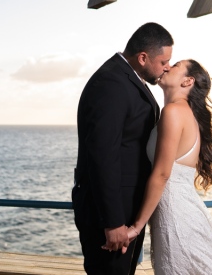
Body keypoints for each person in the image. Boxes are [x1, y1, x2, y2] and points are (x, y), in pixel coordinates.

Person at [73, 23, 174, 275]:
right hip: (111, 216)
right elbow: (102, 155)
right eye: (164, 61)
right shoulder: (111, 83)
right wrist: (113, 222)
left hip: (127, 210)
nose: (167, 67)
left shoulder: (126, 78)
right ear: (143, 58)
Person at [124, 59, 212, 275]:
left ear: (188, 81)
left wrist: (136, 227)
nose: (167, 67)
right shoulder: (182, 113)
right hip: (183, 213)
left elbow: (161, 174)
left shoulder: (174, 112)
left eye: (175, 65)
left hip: (176, 219)